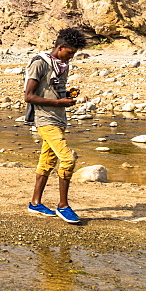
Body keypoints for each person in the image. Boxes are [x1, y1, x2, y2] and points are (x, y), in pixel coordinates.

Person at [24, 28, 87, 224]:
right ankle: (63, 206)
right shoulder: (39, 64)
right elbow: (29, 96)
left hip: (59, 119)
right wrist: (60, 103)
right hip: (45, 120)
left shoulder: (61, 66)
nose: (71, 58)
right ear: (60, 47)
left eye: (73, 54)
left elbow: (52, 92)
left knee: (47, 162)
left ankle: (35, 203)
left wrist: (66, 96)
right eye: (69, 53)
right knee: (68, 159)